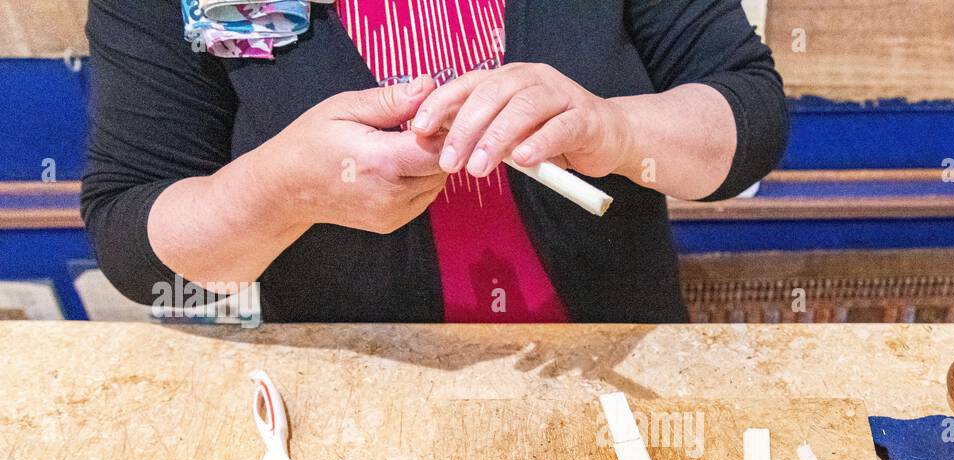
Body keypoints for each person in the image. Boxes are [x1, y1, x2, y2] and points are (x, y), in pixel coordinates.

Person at [81, 0, 788, 323]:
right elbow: (136, 245)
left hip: (619, 373)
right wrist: (281, 191)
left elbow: (749, 118)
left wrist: (618, 129)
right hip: (363, 403)